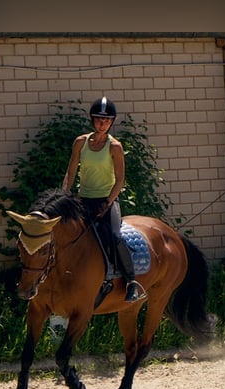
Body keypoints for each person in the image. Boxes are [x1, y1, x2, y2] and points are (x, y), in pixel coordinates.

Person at [62, 96, 146, 303]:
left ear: (112, 122)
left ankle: (131, 282)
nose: (103, 124)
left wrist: (107, 202)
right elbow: (71, 171)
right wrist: (64, 193)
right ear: (92, 120)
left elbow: (120, 180)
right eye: (99, 119)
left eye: (107, 121)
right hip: (83, 200)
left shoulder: (115, 147)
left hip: (106, 201)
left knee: (114, 237)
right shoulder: (80, 143)